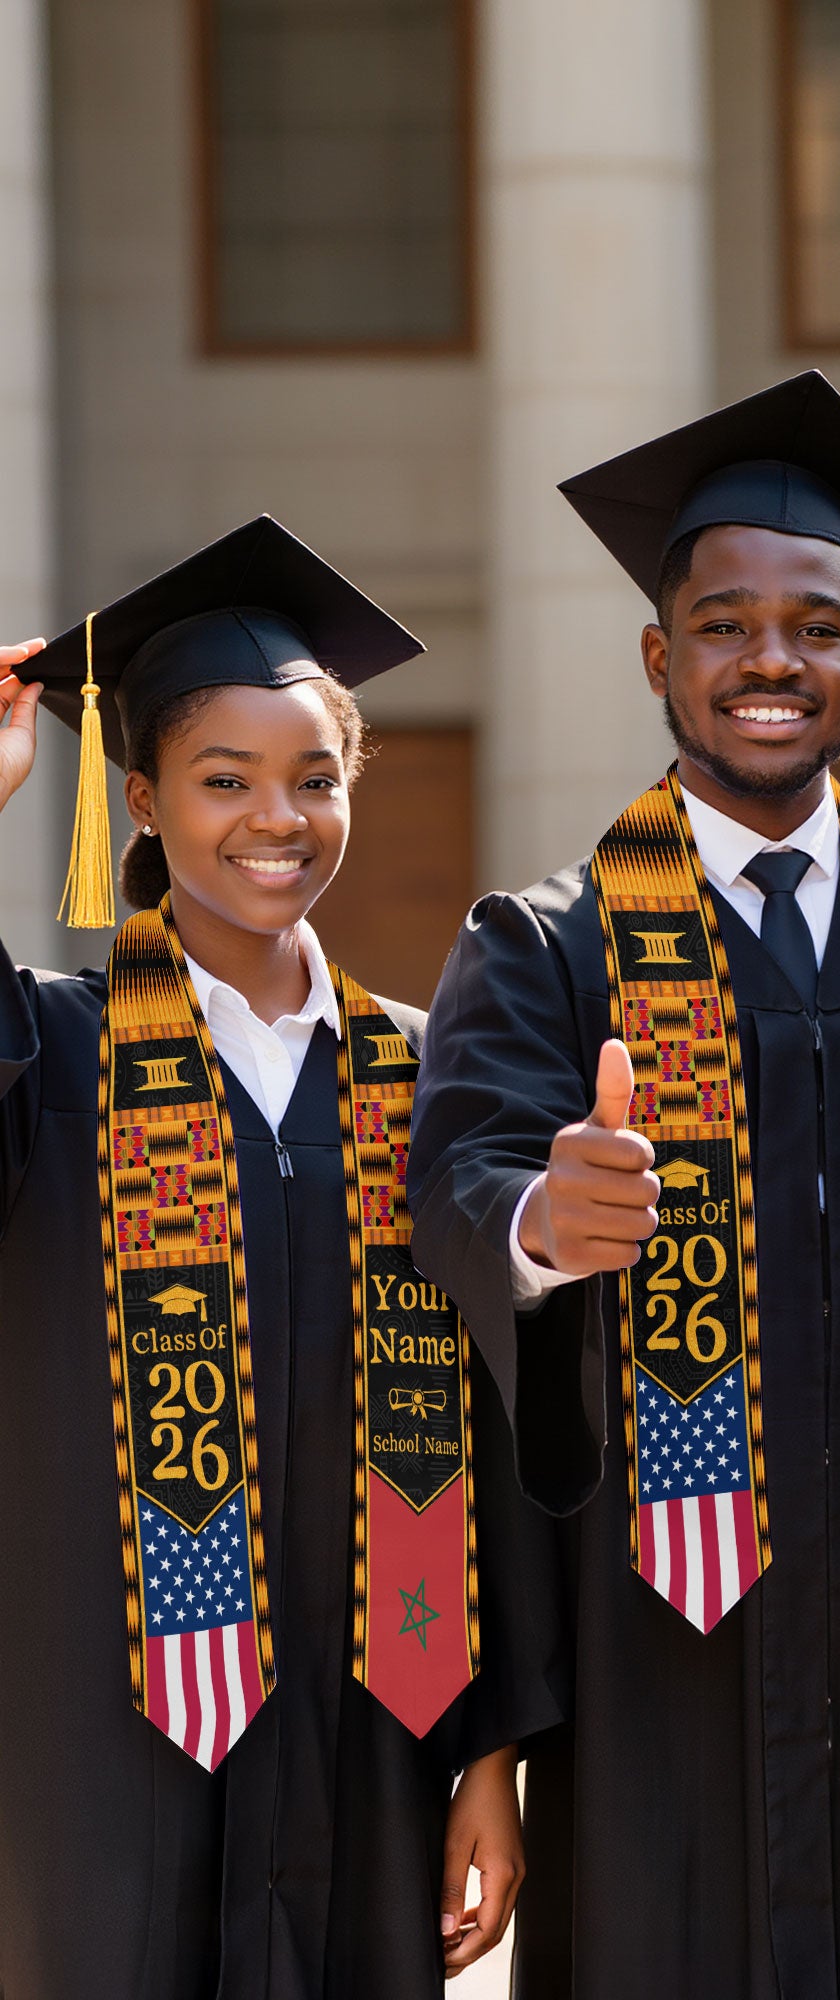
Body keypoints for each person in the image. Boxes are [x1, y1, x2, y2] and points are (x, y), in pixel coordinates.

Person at [406, 371, 840, 1996]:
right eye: (722, 624)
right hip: (654, 1656)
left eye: (815, 624)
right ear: (660, 656)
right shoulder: (548, 946)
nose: (770, 660)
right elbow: (451, 1200)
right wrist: (541, 1225)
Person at [0, 516, 565, 1998]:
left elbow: (503, 1434)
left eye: (316, 780)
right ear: (139, 797)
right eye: (224, 780)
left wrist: (493, 1759)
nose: (278, 818)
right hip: (97, 1742)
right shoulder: (53, 1055)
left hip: (372, 1724)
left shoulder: (428, 1079)